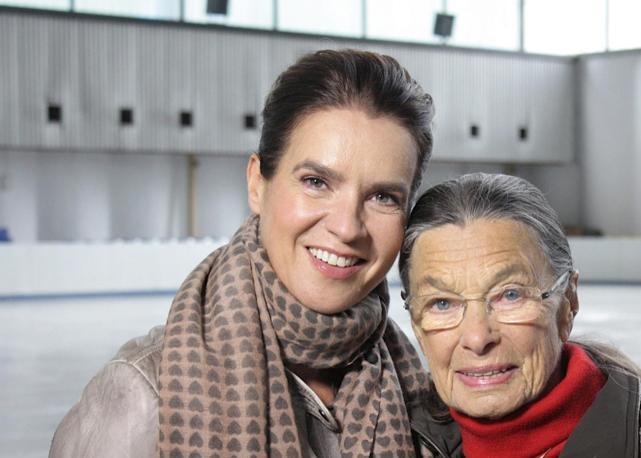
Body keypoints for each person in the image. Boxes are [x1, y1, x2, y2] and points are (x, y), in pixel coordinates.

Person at [50, 49, 461, 458]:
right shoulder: (141, 396)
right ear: (257, 184)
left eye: (383, 196)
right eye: (316, 181)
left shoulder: (424, 394)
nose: (347, 226)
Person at [398, 173, 641, 458]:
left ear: (567, 303)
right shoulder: (393, 439)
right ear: (415, 320)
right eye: (441, 303)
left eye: (510, 294)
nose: (477, 338)